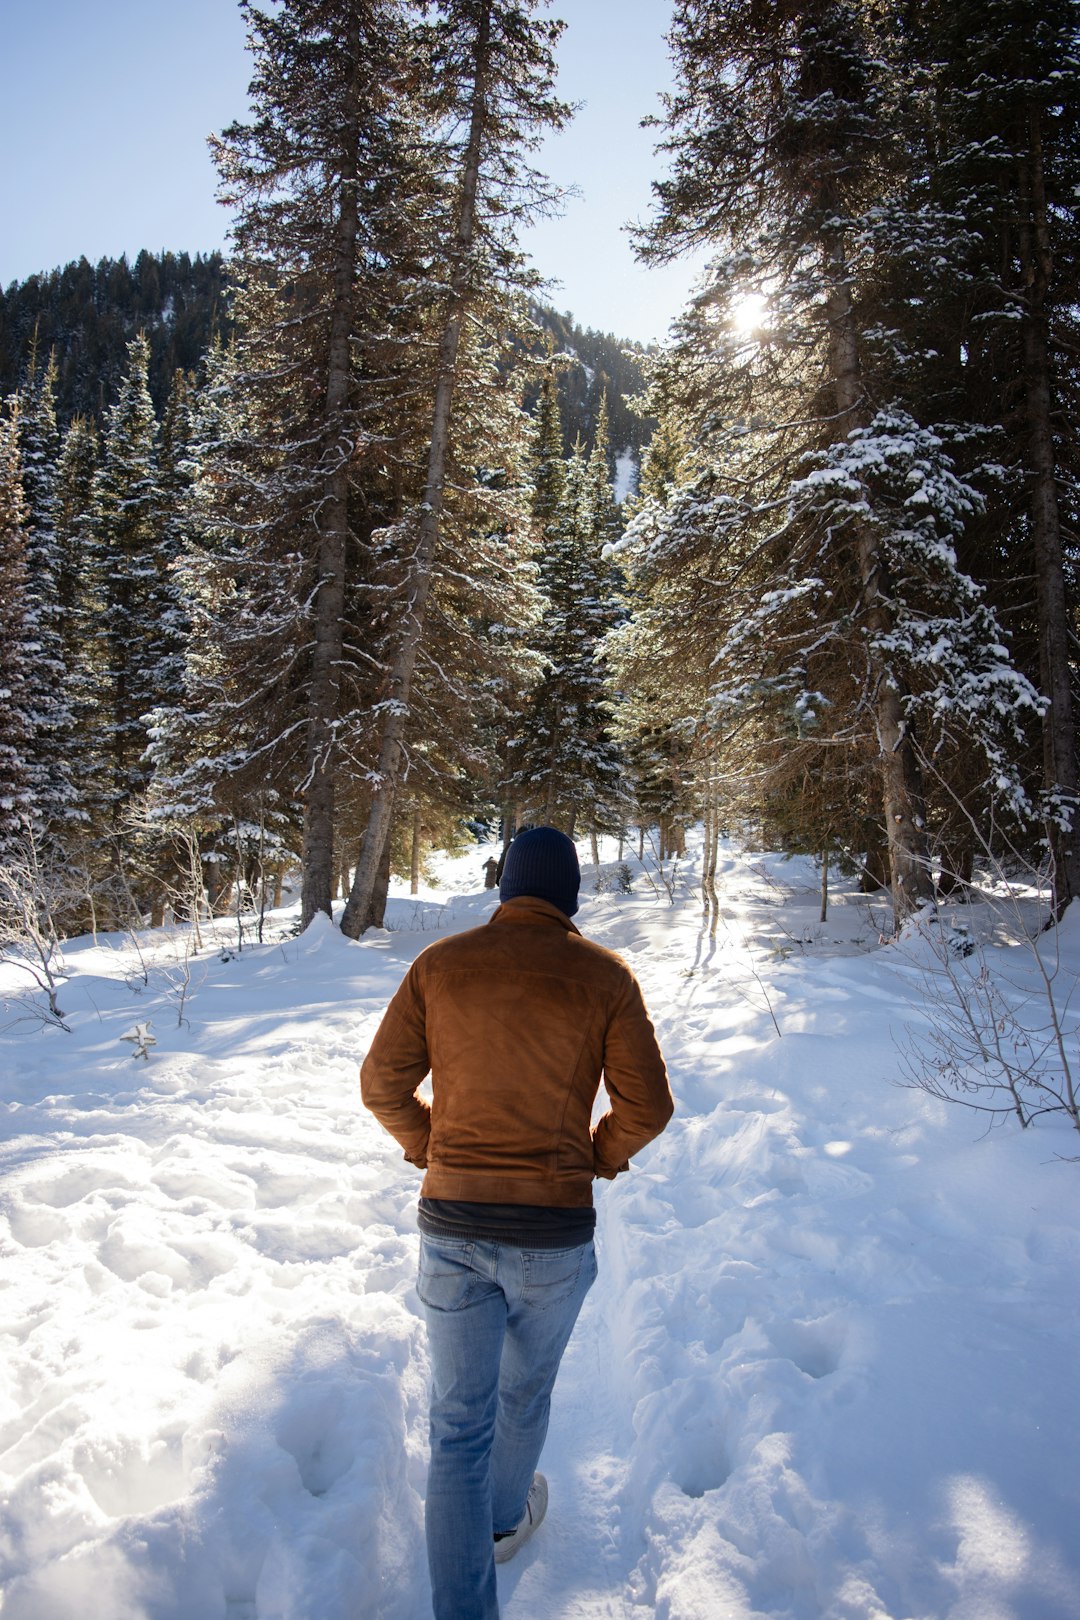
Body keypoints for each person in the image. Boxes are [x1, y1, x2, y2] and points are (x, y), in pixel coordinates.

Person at [360, 826, 672, 1620]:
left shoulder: (440, 966)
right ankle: (501, 1521)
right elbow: (649, 1107)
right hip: (552, 1233)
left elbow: (380, 1085)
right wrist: (596, 1159)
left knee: (457, 1429)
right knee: (522, 1399)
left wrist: (434, 1147)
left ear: (505, 892)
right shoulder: (604, 977)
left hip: (453, 1223)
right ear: (570, 897)